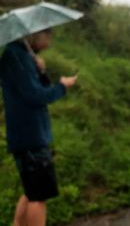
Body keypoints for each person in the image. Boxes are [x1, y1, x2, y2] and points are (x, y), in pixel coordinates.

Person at [0, 28, 78, 226]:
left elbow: (35, 88)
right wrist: (62, 86)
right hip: (30, 136)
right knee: (39, 196)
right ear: (37, 35)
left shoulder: (20, 56)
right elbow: (36, 96)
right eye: (48, 36)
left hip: (28, 136)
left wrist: (41, 71)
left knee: (31, 191)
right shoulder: (17, 56)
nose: (49, 42)